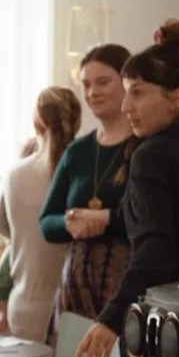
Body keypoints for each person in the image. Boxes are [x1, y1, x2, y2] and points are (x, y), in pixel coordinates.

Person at [74, 21, 179, 357]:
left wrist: (111, 319)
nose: (126, 106)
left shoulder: (152, 156)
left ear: (176, 98)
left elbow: (154, 252)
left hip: (161, 323)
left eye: (137, 93)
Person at [39, 44, 134, 327]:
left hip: (125, 286)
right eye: (86, 85)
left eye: (103, 82)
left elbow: (149, 220)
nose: (93, 92)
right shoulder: (77, 151)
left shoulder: (144, 147)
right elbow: (46, 222)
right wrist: (70, 223)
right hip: (76, 287)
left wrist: (104, 220)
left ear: (127, 84)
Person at [0, 88, 81, 342]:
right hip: (78, 310)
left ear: (36, 123)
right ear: (78, 121)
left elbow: (1, 225)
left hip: (26, 306)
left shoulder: (14, 175)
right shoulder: (85, 171)